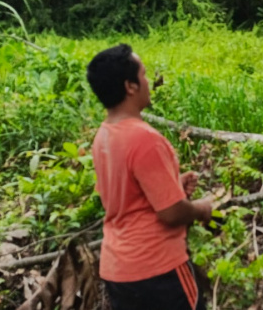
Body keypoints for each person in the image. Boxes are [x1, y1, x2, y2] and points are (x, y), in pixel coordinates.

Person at [87, 44, 212, 310]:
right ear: (130, 86)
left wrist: (172, 185)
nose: (149, 82)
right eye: (143, 74)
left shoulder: (104, 135)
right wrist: (201, 209)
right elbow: (171, 213)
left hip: (118, 271)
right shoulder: (145, 138)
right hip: (157, 269)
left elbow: (127, 195)